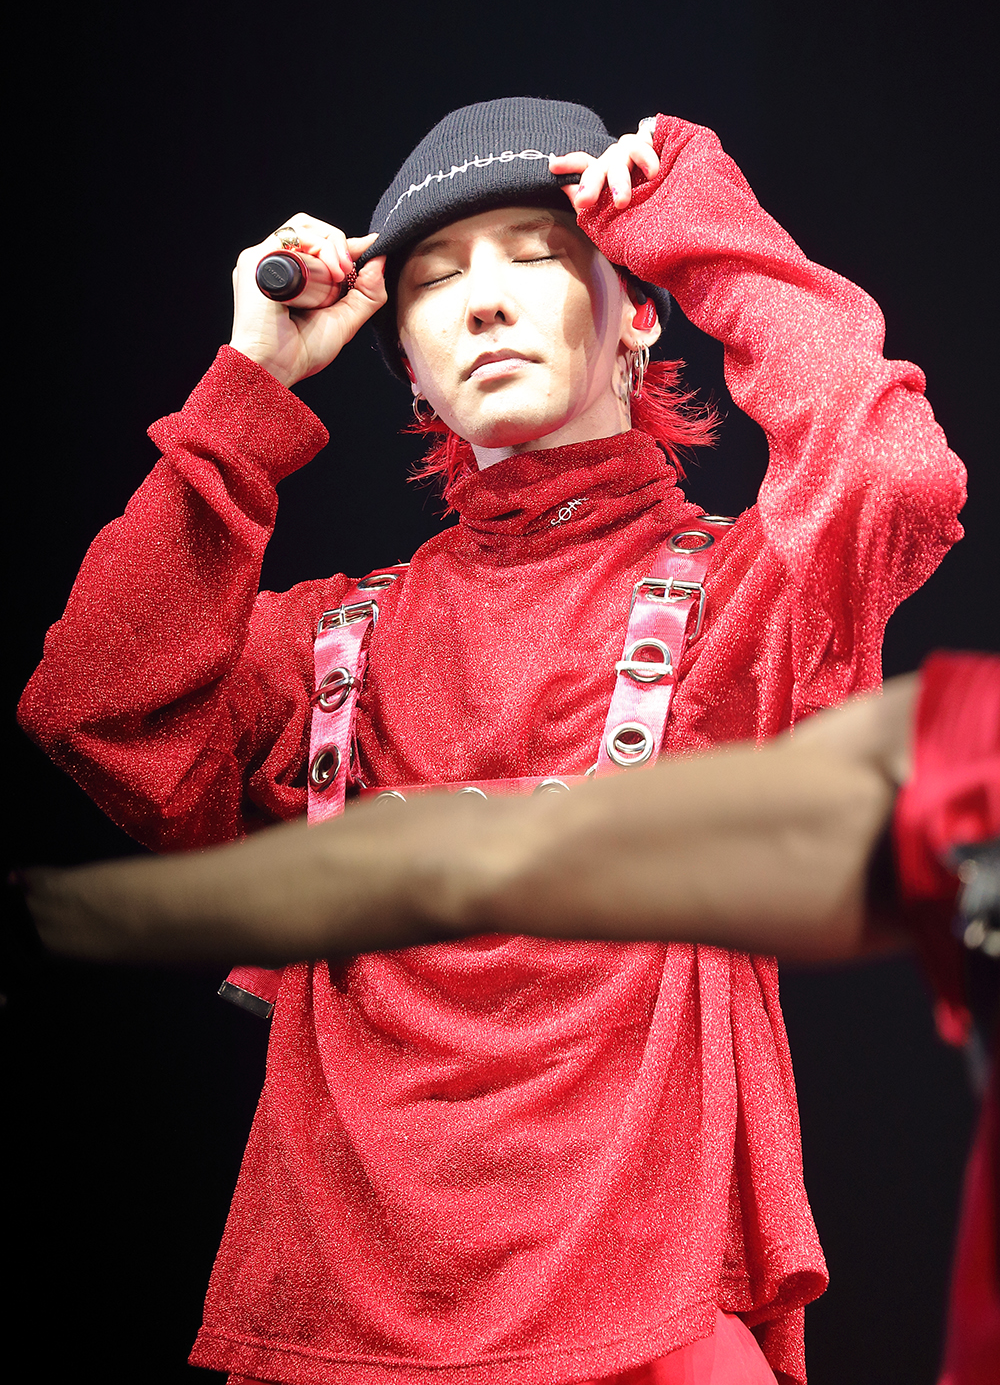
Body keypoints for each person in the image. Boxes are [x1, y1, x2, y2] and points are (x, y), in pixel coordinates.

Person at [18, 98, 966, 1384]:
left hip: (647, 1323)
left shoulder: (730, 610)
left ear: (636, 316)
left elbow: (892, 474)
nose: (483, 303)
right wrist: (249, 391)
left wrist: (695, 224)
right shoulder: (337, 640)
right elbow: (93, 704)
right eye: (433, 282)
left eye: (535, 255)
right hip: (334, 1334)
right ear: (409, 365)